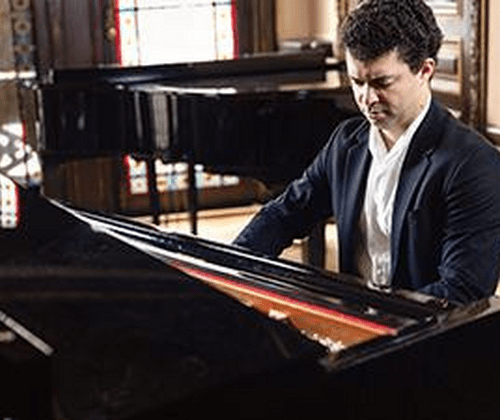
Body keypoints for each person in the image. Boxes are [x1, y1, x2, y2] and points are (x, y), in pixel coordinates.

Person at [233, 0, 500, 305]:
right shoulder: (346, 142)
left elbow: (462, 292)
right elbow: (286, 214)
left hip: (426, 330)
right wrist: (230, 264)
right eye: (357, 82)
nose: (366, 98)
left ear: (425, 70)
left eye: (381, 82)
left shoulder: (474, 164)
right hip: (353, 318)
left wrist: (376, 313)